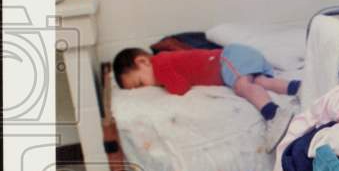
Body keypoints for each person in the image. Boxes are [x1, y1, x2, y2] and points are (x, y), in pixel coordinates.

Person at [113, 44, 301, 127]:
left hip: (228, 58)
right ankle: (294, 88)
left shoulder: (160, 64)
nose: (144, 89)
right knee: (259, 82)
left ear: (143, 62)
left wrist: (164, 84)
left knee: (242, 86)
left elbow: (180, 88)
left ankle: (272, 113)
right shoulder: (161, 62)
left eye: (139, 83)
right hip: (235, 57)